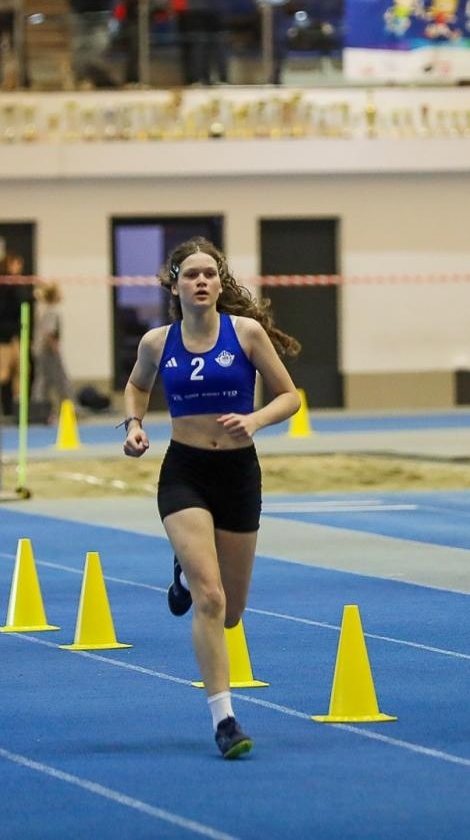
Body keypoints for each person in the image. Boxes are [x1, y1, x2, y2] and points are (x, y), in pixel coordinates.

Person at [120, 238, 300, 759]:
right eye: (191, 275)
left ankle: (183, 573)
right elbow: (137, 386)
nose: (201, 281)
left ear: (220, 283)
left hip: (238, 474)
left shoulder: (246, 333)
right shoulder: (157, 342)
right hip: (186, 473)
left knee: (232, 612)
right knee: (211, 598)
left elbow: (290, 396)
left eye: (209, 274)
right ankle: (225, 720)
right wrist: (134, 425)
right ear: (175, 286)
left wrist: (255, 420)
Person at [0, 254, 29, 418]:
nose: (19, 268)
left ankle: (18, 407)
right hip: (3, 337)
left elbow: (24, 304)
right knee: (3, 374)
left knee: (22, 371)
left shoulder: (20, 286)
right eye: (16, 264)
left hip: (18, 336)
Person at [32, 281, 72, 420]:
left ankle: (41, 409)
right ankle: (66, 408)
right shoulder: (52, 311)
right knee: (55, 380)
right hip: (47, 351)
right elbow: (49, 332)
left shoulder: (43, 310)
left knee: (44, 380)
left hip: (41, 350)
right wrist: (55, 349)